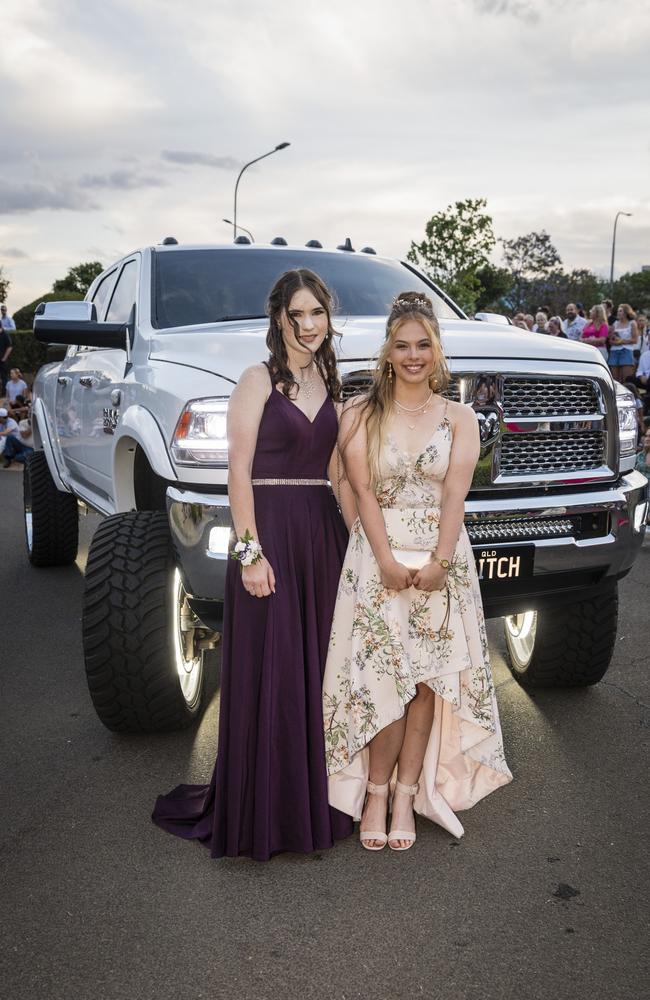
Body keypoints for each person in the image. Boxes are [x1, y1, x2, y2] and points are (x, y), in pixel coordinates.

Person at [152, 269, 354, 860]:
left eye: (318, 313)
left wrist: (361, 541)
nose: (310, 325)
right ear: (279, 318)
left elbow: (338, 474)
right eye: (299, 314)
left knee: (317, 673)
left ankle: (315, 804)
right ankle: (266, 811)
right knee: (275, 671)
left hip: (321, 536)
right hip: (269, 534)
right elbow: (236, 471)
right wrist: (249, 553)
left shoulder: (331, 383)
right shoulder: (257, 379)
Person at [322, 292, 512, 851]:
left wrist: (440, 563)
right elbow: (360, 490)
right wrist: (381, 558)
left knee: (426, 682)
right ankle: (374, 791)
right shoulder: (358, 413)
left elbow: (456, 494)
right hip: (375, 558)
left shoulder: (460, 418)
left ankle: (408, 792)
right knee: (381, 680)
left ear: (437, 351)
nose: (412, 356)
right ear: (386, 351)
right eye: (402, 346)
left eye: (423, 345)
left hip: (440, 559)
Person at [609, 303, 639, 383]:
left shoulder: (632, 323)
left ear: (626, 312)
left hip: (626, 351)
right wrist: (615, 341)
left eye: (620, 311)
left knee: (626, 379)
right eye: (618, 311)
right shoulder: (615, 324)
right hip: (614, 351)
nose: (618, 313)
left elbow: (635, 340)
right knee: (614, 380)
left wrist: (621, 341)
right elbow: (610, 340)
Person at [0, 323, 12, 396]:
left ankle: (4, 394)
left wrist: (4, 357)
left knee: (4, 378)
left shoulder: (5, 335)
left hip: (3, 361)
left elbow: (9, 347)